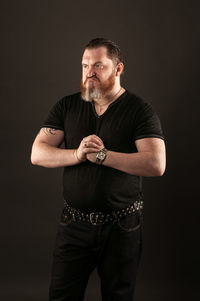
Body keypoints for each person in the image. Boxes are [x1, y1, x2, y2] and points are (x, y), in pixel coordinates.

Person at [31, 38, 166, 301]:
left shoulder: (139, 110)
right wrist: (78, 154)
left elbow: (156, 164)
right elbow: (37, 153)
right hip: (74, 224)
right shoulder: (67, 106)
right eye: (84, 66)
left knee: (118, 297)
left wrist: (103, 156)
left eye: (98, 66)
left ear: (118, 69)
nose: (89, 72)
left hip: (122, 227)